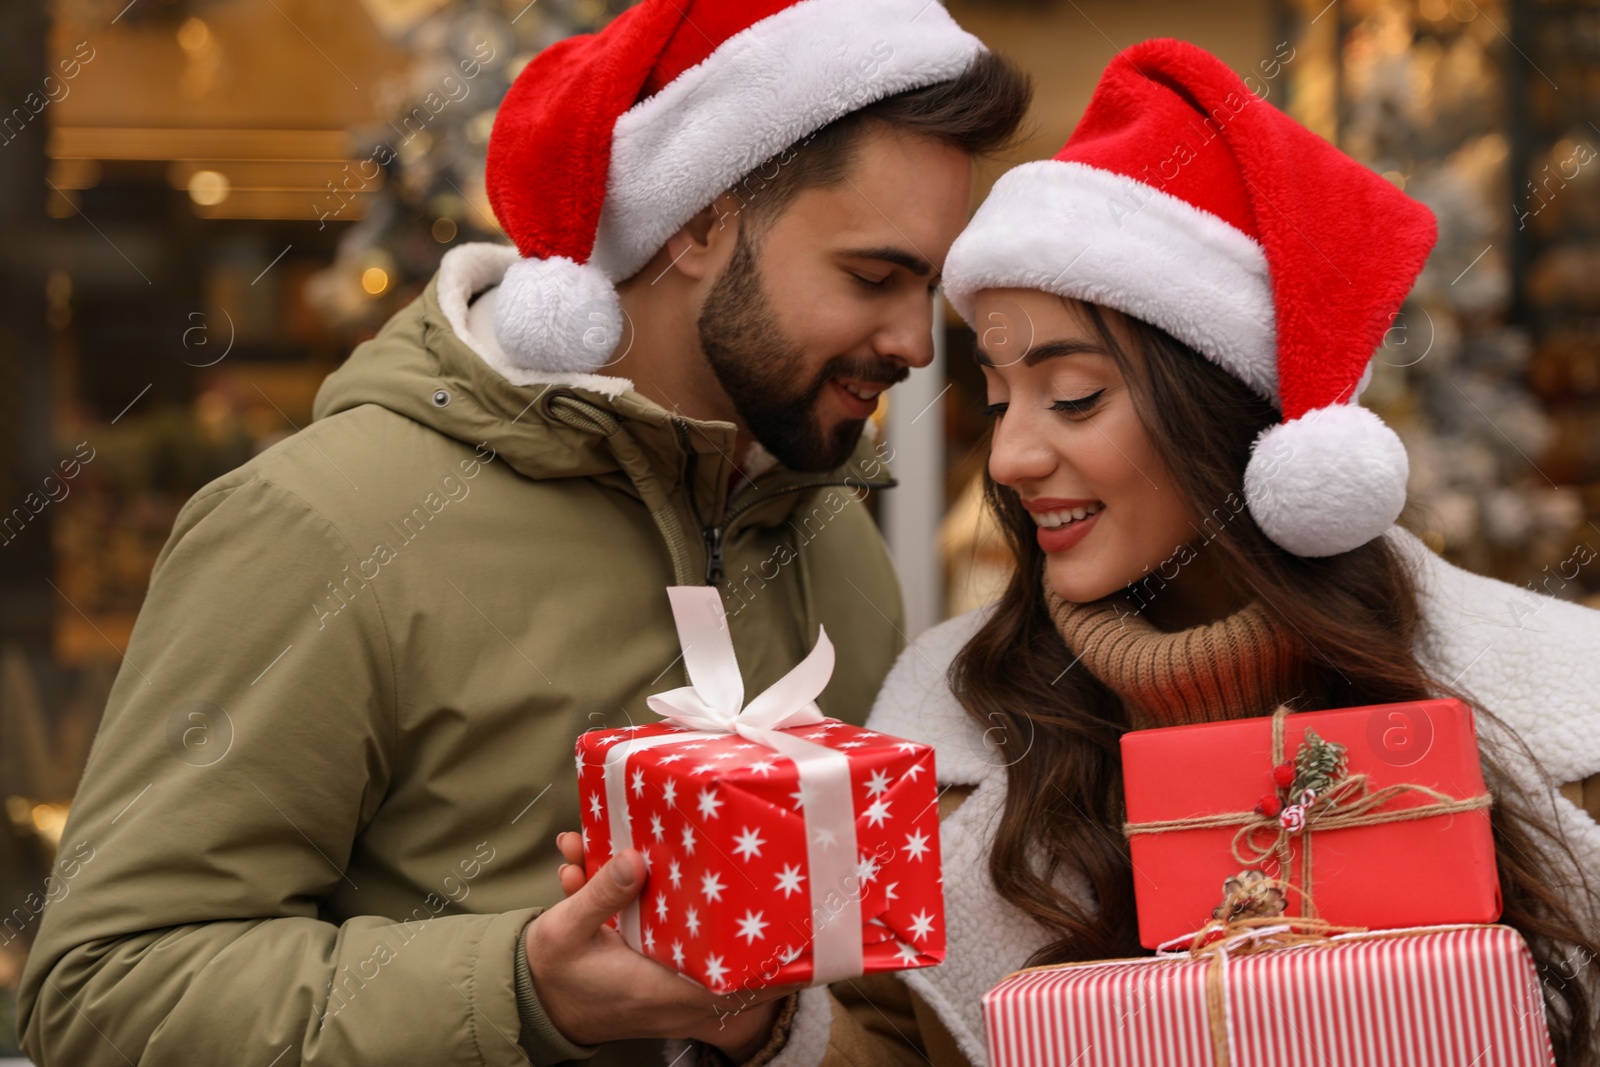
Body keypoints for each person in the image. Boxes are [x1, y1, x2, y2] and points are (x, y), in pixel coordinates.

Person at [15, 3, 1030, 1065]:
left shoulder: (839, 551)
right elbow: (103, 991)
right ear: (698, 222)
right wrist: (519, 989)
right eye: (874, 277)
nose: (917, 342)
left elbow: (859, 999)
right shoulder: (323, 525)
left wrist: (775, 1019)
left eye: (929, 285)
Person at [553, 38, 1600, 1067]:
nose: (1007, 455)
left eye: (1074, 396)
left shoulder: (1558, 701)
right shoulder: (946, 723)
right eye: (1000, 396)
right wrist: (759, 1021)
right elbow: (891, 1039)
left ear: (1227, 406)